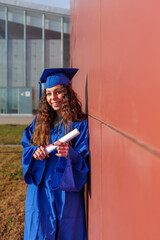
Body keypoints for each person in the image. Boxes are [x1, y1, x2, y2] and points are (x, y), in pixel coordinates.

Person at [21, 68, 89, 240]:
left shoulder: (80, 124)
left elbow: (84, 160)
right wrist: (34, 152)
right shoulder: (40, 122)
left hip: (65, 189)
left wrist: (70, 153)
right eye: (49, 94)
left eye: (58, 92)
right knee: (39, 230)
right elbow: (26, 145)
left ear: (67, 93)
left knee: (67, 231)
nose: (53, 98)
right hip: (40, 190)